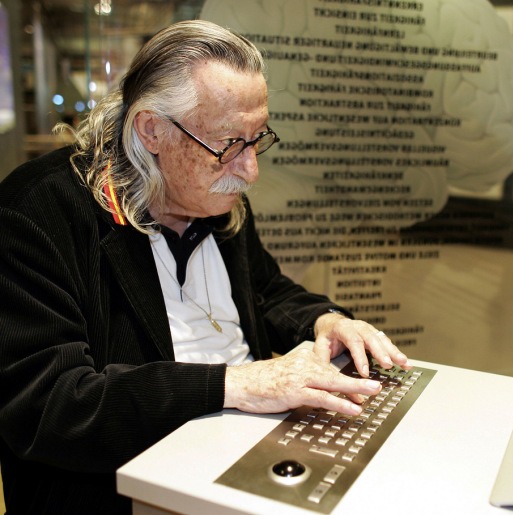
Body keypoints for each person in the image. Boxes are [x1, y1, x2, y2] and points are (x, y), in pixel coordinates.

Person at [0, 20, 410, 514]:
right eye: (228, 144)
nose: (250, 170)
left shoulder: (216, 195)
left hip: (247, 454)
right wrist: (238, 384)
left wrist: (327, 321)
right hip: (129, 487)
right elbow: (47, 406)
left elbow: (266, 290)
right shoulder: (36, 213)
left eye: (257, 139)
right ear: (151, 130)